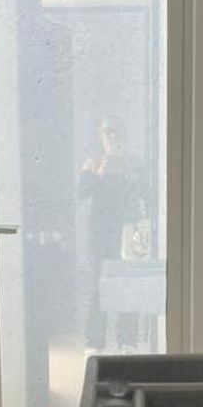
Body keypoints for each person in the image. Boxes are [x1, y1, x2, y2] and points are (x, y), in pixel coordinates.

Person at [80, 115, 147, 352]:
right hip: (100, 231)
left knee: (129, 282)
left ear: (125, 134)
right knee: (98, 283)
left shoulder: (134, 163)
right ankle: (94, 341)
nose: (113, 135)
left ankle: (127, 340)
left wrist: (129, 174)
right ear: (100, 136)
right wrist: (99, 172)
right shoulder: (93, 162)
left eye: (118, 130)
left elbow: (146, 194)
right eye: (108, 131)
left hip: (128, 230)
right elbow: (81, 193)